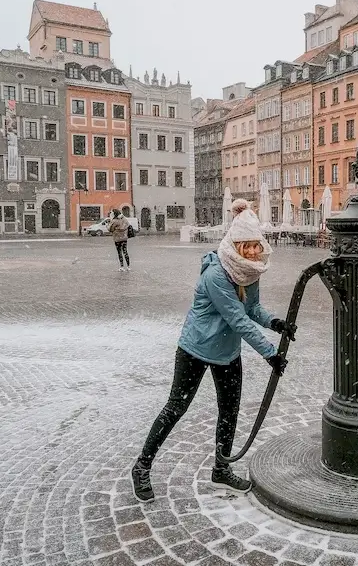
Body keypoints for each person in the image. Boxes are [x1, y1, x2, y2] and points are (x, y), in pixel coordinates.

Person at [131, 199, 296, 501]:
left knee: (229, 411)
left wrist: (276, 323)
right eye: (256, 246)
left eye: (261, 246)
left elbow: (253, 308)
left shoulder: (249, 270)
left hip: (228, 352)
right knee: (175, 408)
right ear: (243, 245)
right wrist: (270, 353)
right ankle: (142, 466)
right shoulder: (216, 275)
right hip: (195, 348)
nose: (261, 251)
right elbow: (237, 318)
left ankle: (221, 469)